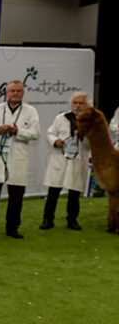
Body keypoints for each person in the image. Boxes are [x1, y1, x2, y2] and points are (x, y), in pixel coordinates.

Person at [0, 80, 41, 239]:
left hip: (18, 158)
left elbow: (36, 133)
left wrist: (17, 131)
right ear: (6, 93)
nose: (15, 94)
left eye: (18, 91)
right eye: (12, 91)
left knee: (16, 197)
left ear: (23, 93)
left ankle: (12, 228)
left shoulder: (30, 111)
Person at [40, 92, 91, 230]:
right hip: (60, 157)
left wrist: (83, 135)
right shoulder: (61, 117)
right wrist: (55, 141)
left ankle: (72, 220)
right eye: (75, 103)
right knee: (53, 190)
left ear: (87, 105)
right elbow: (50, 133)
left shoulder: (90, 121)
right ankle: (48, 219)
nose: (77, 106)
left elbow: (92, 142)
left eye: (81, 103)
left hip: (78, 159)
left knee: (74, 192)